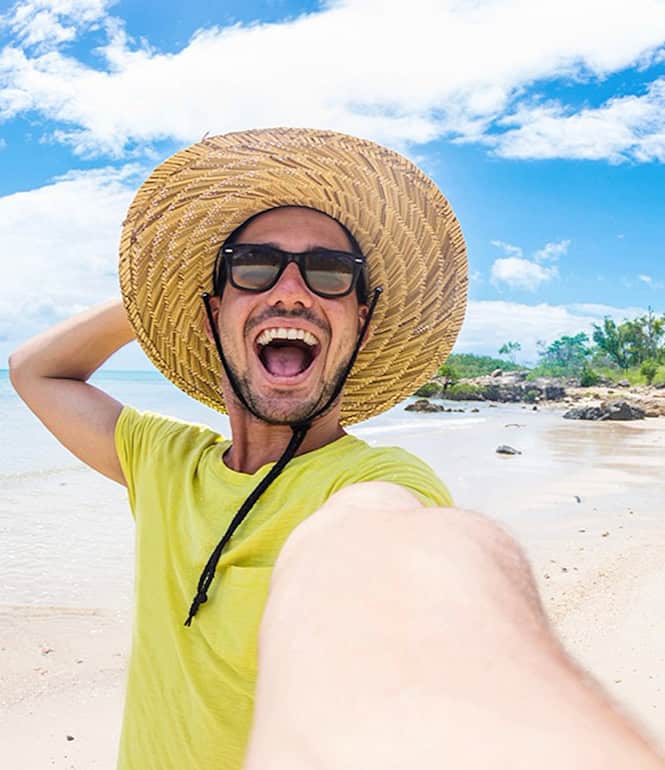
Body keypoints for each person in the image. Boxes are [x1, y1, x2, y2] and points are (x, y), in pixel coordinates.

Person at [9, 128, 664, 770]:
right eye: (254, 267)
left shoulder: (375, 483)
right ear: (211, 316)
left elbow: (392, 554)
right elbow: (34, 370)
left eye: (329, 273)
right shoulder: (163, 463)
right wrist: (164, 285)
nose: (289, 290)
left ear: (362, 321)